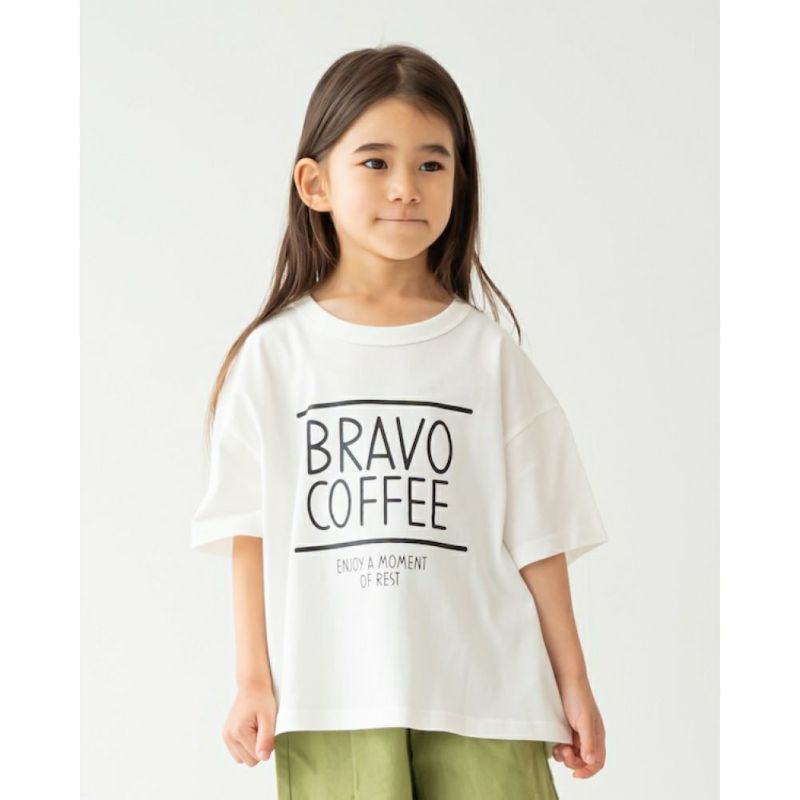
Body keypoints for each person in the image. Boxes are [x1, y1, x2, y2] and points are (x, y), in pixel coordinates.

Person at [191, 44, 609, 800]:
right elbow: (248, 530)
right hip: (329, 699)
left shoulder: (486, 355)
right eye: (376, 162)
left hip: (485, 696)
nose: (406, 187)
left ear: (459, 181)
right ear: (315, 183)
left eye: (432, 164)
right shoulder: (276, 356)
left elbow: (540, 535)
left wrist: (572, 681)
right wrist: (253, 679)